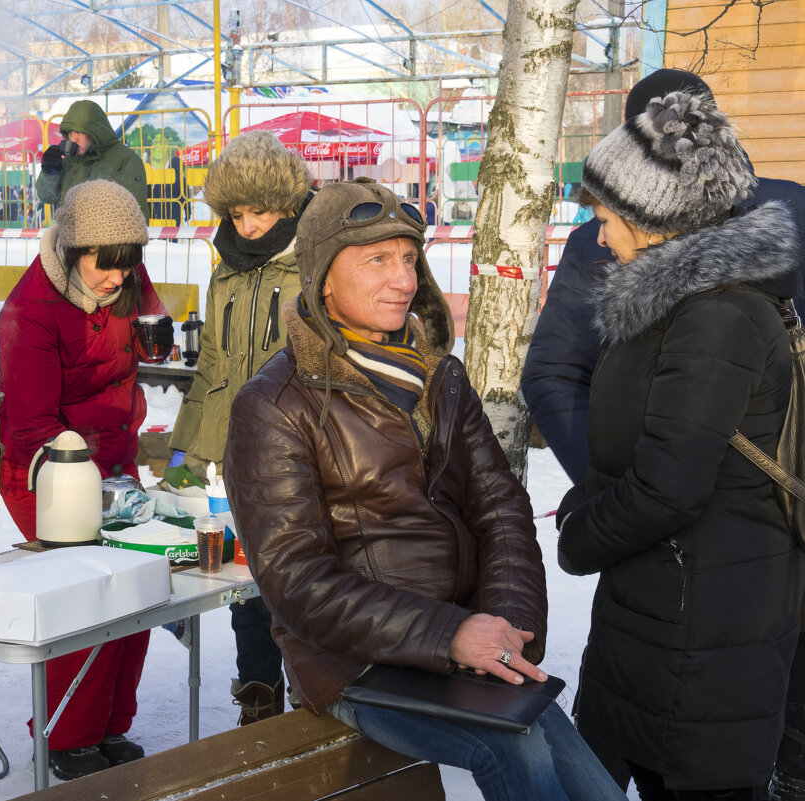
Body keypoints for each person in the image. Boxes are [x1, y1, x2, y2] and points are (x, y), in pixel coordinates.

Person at [223, 177, 630, 801]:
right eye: (378, 259)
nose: (405, 280)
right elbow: (295, 579)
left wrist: (507, 625)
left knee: (585, 779)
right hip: (354, 662)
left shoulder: (440, 378)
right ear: (323, 276)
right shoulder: (276, 404)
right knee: (513, 748)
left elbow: (501, 509)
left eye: (410, 258)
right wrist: (449, 636)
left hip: (462, 645)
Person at [555, 90, 805, 799]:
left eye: (605, 219)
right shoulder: (678, 303)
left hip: (706, 643)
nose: (599, 237)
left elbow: (670, 484)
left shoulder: (720, 316)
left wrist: (579, 535)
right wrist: (591, 492)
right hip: (662, 622)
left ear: (654, 219)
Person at [520, 68, 805, 485]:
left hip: (687, 510)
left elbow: (555, 372)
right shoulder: (793, 206)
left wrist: (608, 487)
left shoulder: (599, 239)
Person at [0, 179, 167, 780]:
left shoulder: (123, 274)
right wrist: (82, 485)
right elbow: (31, 427)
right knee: (85, 596)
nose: (117, 280)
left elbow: (148, 307)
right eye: (104, 267)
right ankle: (66, 736)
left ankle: (110, 725)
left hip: (114, 458)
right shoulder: (29, 313)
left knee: (137, 588)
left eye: (127, 266)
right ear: (71, 252)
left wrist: (157, 325)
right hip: (47, 470)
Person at [168, 130, 314, 725]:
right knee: (244, 584)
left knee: (302, 582)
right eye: (236, 213)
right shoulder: (225, 269)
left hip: (300, 451)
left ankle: (316, 700)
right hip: (233, 456)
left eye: (259, 211)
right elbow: (212, 370)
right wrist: (183, 448)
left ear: (287, 203)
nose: (247, 225)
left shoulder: (316, 260)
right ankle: (258, 699)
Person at [37, 99, 151, 224]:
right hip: (69, 239)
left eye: (78, 132)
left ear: (95, 131)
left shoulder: (126, 160)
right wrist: (50, 171)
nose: (73, 139)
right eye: (70, 132)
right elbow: (47, 196)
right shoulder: (73, 160)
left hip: (106, 241)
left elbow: (136, 218)